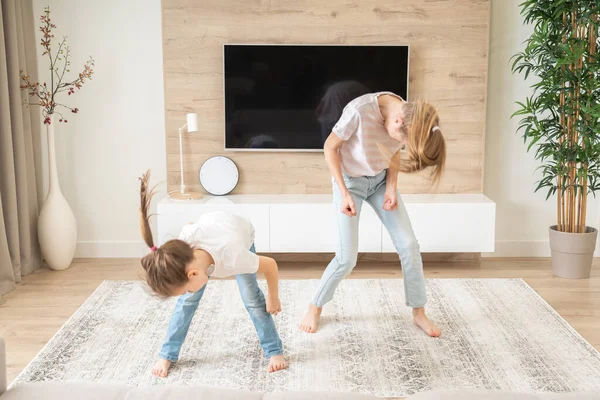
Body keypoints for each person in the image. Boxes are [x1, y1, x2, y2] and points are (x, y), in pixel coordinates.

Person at [299, 92, 446, 337]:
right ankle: (315, 307)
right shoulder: (360, 111)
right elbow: (330, 147)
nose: (401, 144)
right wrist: (344, 193)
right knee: (346, 258)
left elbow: (395, 152)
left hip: (380, 182)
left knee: (409, 245)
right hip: (350, 182)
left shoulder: (409, 115)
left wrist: (391, 187)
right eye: (403, 139)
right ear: (398, 122)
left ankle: (419, 313)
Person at [138, 171, 287, 377]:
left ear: (192, 274)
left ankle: (274, 351)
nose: (187, 292)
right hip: (209, 230)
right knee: (186, 305)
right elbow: (189, 227)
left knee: (252, 299)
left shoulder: (236, 256)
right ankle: (167, 353)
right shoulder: (184, 247)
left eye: (186, 289)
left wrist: (273, 296)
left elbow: (270, 265)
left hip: (239, 233)